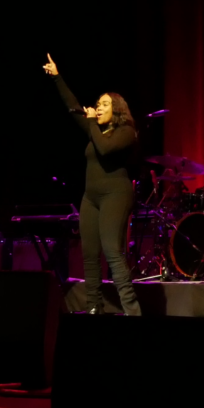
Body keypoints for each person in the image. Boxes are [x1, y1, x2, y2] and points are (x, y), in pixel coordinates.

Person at [42, 54, 142, 316]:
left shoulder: (127, 131)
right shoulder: (94, 128)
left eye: (104, 104)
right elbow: (72, 105)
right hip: (91, 197)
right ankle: (94, 308)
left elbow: (106, 149)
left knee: (111, 250)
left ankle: (133, 311)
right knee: (89, 253)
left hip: (115, 195)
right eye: (97, 104)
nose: (98, 107)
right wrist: (57, 76)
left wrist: (89, 122)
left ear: (116, 109)